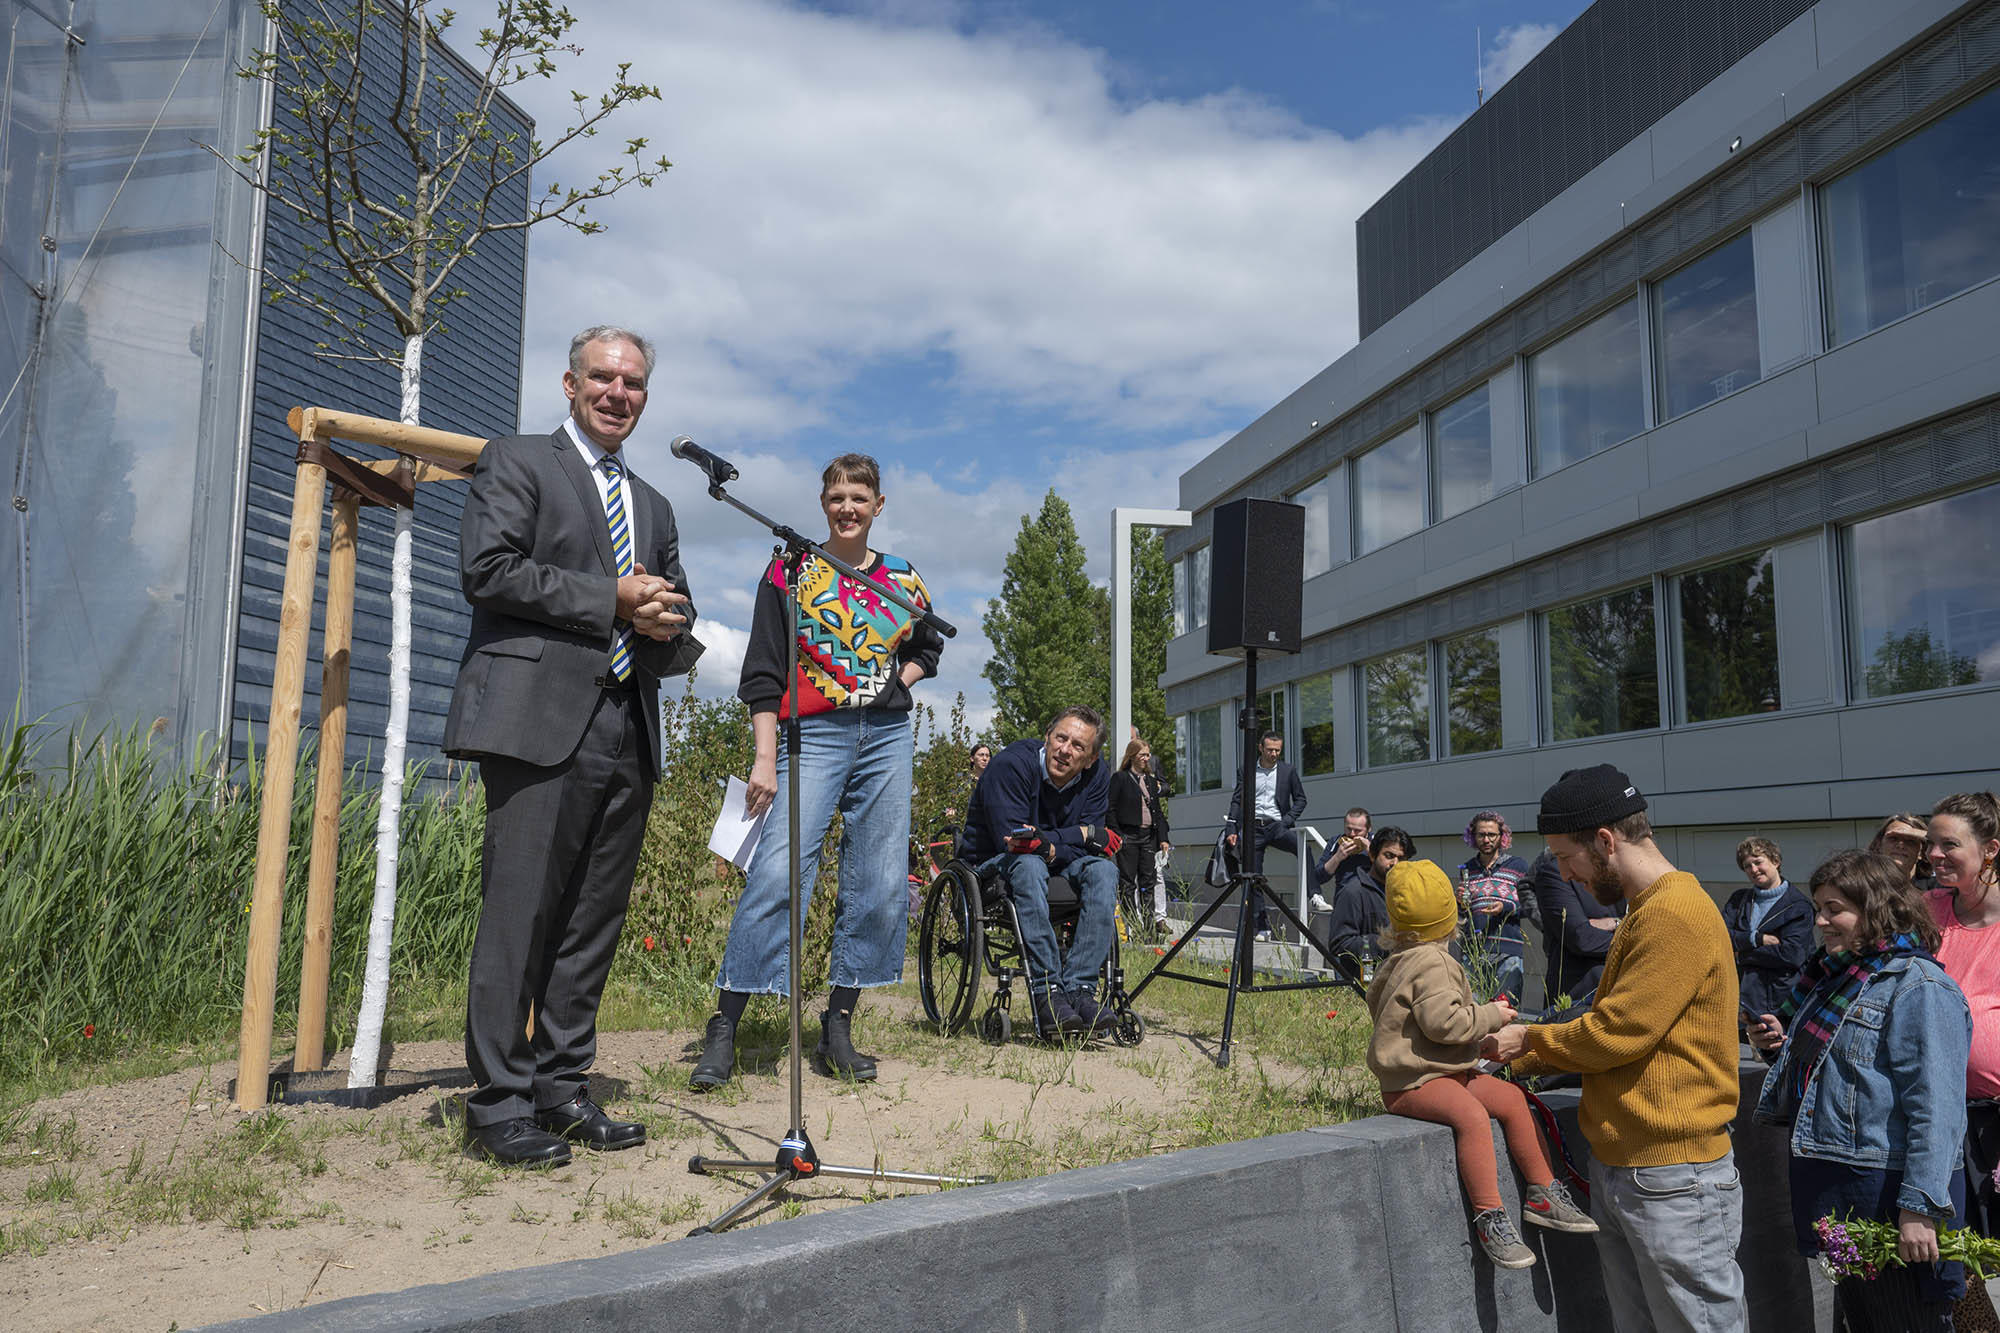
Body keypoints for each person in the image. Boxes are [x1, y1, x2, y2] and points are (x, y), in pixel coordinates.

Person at [445, 325, 701, 1167]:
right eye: (603, 377)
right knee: (520, 911)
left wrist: (668, 620)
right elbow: (489, 569)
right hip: (537, 717)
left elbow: (668, 606)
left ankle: (561, 1086)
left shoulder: (656, 505)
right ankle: (498, 1101)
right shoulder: (517, 462)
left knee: (593, 916)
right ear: (570, 383)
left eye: (632, 383)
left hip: (627, 721)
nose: (617, 393)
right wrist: (613, 598)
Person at [690, 453, 942, 1092]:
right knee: (778, 871)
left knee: (880, 879)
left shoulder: (902, 578)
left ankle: (838, 1024)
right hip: (813, 736)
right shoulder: (792, 568)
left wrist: (893, 683)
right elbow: (764, 671)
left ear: (878, 505)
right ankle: (727, 1025)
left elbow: (927, 645)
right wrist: (765, 757)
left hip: (885, 736)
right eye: (837, 498)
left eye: (861, 497)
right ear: (823, 504)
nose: (849, 508)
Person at [1481, 764, 1746, 1333]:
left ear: (1605, 841)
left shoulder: (1673, 912)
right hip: (1637, 1168)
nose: (1570, 878)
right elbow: (1605, 1022)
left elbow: (1616, 1032)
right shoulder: (1646, 909)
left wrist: (1526, 1040)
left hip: (1674, 1175)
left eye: (1568, 859)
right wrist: (1515, 1058)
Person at [1747, 850, 1971, 1333]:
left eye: (1834, 909)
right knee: (1866, 1320)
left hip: (1888, 1200)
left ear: (1876, 909)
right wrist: (1776, 1049)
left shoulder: (1919, 987)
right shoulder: (1837, 977)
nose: (1821, 921)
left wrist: (1919, 1209)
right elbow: (1839, 1076)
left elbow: (1938, 1110)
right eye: (1820, 907)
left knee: (1907, 1321)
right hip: (1838, 1191)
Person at [1368, 858, 1597, 1270]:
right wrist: (1492, 1014)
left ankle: (1543, 1190)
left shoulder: (1399, 960)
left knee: (1511, 1098)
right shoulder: (1434, 962)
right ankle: (1490, 1215)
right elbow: (1446, 1025)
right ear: (1451, 916)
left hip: (1438, 1071)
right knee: (1472, 1115)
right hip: (1414, 1082)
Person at [960, 707, 1122, 1038]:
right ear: (1048, 736)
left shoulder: (1097, 775)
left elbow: (1094, 842)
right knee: (1029, 862)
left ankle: (1079, 992)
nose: (1065, 749)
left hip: (1055, 865)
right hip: (992, 864)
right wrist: (1077, 835)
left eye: (1078, 746)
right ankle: (1048, 992)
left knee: (1103, 871)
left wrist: (1057, 843)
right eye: (1061, 738)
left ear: (1090, 758)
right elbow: (1013, 840)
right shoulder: (1012, 764)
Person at [1921, 792, 2000, 1333]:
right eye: (1931, 844)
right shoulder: (1928, 911)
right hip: (1941, 1116)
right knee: (1959, 1259)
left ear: (1990, 849)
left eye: (1949, 844)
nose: (1934, 854)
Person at [1720, 836, 1814, 1025]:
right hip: (1739, 1000)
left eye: (1758, 862)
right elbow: (1720, 936)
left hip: (1778, 1003)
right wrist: (1756, 939)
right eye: (1747, 866)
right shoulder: (1739, 901)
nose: (1753, 870)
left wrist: (1740, 955)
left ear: (1776, 861)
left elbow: (1792, 954)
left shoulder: (1798, 906)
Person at [1224, 732, 1308, 940]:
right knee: (1253, 877)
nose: (1274, 754)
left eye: (1277, 750)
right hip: (1253, 829)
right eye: (1270, 749)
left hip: (1277, 826)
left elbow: (1301, 799)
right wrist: (1231, 829)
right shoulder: (1247, 770)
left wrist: (1286, 821)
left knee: (1303, 848)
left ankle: (1314, 894)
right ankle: (1262, 928)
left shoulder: (1288, 770)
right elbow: (1237, 801)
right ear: (1260, 748)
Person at [1532, 847, 1623, 1013]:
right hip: (1576, 997)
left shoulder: (1619, 870)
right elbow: (1582, 938)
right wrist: (1631, 938)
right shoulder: (1555, 873)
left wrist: (1616, 923)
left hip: (1621, 994)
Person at [1455, 811, 1532, 1002]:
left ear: (1502, 836)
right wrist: (1459, 904)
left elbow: (1531, 905)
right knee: (1473, 1014)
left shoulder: (1518, 866)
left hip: (1508, 951)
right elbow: (1463, 914)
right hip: (1474, 953)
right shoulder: (1466, 869)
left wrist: (1505, 907)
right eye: (1481, 835)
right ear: (1473, 837)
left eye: (1492, 834)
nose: (1486, 839)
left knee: (1506, 1010)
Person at [1325, 826, 1413, 980]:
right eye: (1389, 855)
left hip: (1401, 980)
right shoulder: (1352, 892)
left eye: (1402, 858)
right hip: (1363, 985)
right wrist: (1388, 941)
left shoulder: (1407, 890)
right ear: (1372, 855)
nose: (1395, 863)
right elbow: (1339, 944)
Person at [1108, 738, 1172, 935]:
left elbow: (1158, 812)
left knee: (1148, 882)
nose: (1147, 758)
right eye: (1143, 754)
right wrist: (1116, 835)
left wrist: (1163, 838)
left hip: (1148, 836)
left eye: (1148, 754)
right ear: (1132, 756)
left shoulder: (1151, 782)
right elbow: (1110, 809)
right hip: (1127, 835)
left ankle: (1149, 927)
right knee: (1127, 884)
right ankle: (1134, 926)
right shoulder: (1120, 778)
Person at [1310, 807, 1372, 913]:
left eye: (1357, 831)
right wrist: (1337, 857)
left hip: (1370, 902)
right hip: (1343, 903)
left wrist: (1371, 850)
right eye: (1348, 829)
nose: (1352, 834)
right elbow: (1319, 877)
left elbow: (1389, 871)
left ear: (1368, 829)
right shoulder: (1336, 842)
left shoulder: (1377, 842)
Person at [1871, 812, 1934, 890]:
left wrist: (1924, 834)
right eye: (1893, 838)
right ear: (1878, 845)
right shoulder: (1863, 886)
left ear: (1922, 852)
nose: (1900, 845)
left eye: (1910, 841)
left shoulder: (1936, 888)